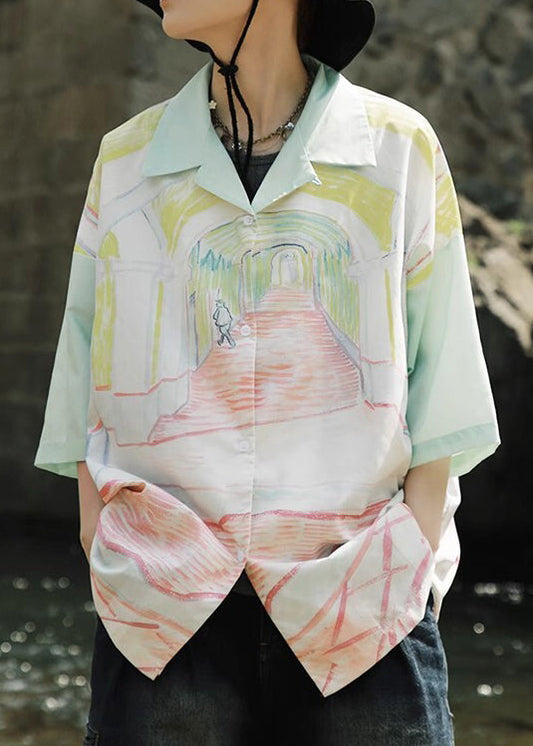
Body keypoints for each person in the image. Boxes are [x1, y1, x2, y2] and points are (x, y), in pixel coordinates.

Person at [34, 0, 501, 743]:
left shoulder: (397, 146)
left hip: (360, 596)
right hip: (165, 599)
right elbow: (86, 357)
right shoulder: (126, 158)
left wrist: (408, 553)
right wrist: (101, 533)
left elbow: (443, 369)